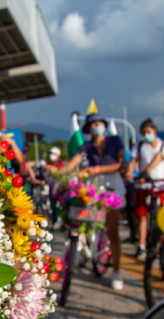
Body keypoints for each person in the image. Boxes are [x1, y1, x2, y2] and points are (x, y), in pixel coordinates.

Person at [65, 113, 126, 290]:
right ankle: (88, 250)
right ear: (88, 129)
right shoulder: (86, 147)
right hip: (94, 188)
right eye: (92, 124)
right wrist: (60, 173)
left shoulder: (115, 141)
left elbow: (120, 164)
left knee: (113, 231)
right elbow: (73, 162)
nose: (96, 127)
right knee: (87, 220)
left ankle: (116, 272)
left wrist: (97, 169)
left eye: (98, 123)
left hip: (113, 186)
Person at [126, 118, 164, 261]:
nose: (147, 135)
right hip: (143, 185)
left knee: (163, 217)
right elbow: (132, 162)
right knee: (141, 216)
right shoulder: (139, 146)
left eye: (149, 132)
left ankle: (162, 245)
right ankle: (141, 245)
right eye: (144, 133)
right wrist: (129, 172)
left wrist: (146, 172)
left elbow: (159, 158)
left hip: (160, 185)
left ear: (154, 131)